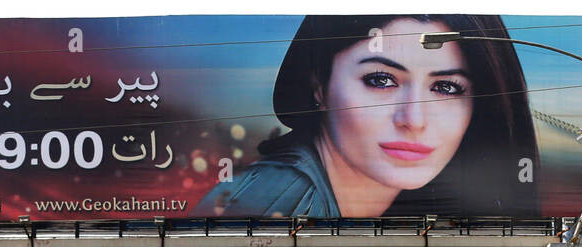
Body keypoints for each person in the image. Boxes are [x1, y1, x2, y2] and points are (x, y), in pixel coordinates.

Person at [192, 15, 539, 220]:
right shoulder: (281, 194)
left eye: (446, 87)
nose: (413, 119)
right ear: (318, 86)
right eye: (381, 80)